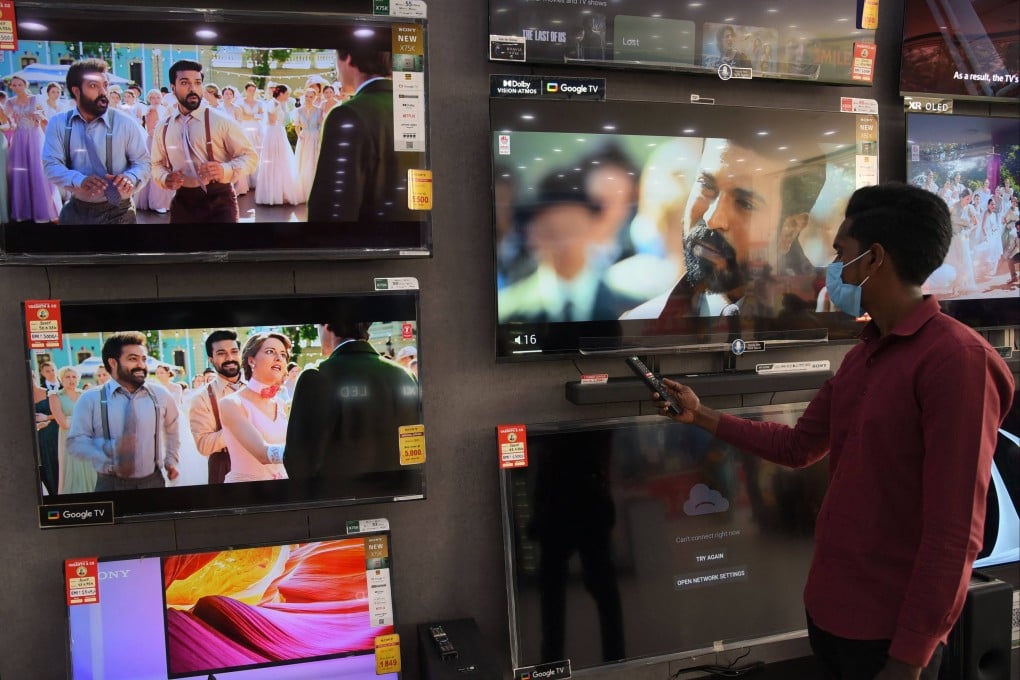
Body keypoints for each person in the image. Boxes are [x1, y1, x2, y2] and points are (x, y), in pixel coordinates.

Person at [654, 183, 1014, 680]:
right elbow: (799, 446)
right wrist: (701, 415)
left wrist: (909, 660)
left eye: (841, 252)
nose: (833, 267)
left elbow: (954, 536)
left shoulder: (959, 363)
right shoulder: (865, 352)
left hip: (890, 640)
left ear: (875, 259)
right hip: (831, 615)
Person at [622, 136, 826, 322]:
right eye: (706, 185)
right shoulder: (639, 324)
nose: (712, 219)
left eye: (745, 204)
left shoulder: (834, 321)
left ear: (789, 230)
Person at [284, 320, 420, 496]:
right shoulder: (405, 375)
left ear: (326, 325)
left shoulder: (317, 376)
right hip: (398, 503)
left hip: (337, 505)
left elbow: (298, 463)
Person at [498, 169, 645, 323]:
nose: (564, 243)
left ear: (592, 228)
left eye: (572, 229)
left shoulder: (631, 310)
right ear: (533, 236)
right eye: (552, 232)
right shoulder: (508, 313)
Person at [307, 36, 419, 222]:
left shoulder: (348, 115)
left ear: (347, 58)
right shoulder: (417, 109)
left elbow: (330, 209)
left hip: (365, 241)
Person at [67, 332, 181, 491]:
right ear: (113, 363)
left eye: (143, 359)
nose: (141, 365)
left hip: (154, 482)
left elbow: (173, 429)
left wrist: (170, 461)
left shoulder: (161, 395)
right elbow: (75, 443)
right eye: (133, 359)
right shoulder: (90, 399)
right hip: (110, 485)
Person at [42, 58, 150, 225]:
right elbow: (51, 165)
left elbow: (143, 162)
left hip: (120, 212)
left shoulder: (125, 122)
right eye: (94, 86)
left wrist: (131, 177)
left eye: (105, 85)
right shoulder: (58, 123)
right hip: (75, 212)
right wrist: (79, 180)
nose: (103, 92)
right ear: (76, 91)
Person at [150, 60, 258, 223]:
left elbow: (250, 157)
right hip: (182, 203)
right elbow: (156, 164)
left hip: (220, 202)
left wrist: (225, 169)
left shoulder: (221, 121)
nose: (193, 88)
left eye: (198, 83)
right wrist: (165, 178)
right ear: (173, 88)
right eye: (185, 83)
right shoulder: (163, 127)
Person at [217, 332, 291, 483]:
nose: (279, 358)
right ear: (251, 360)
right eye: (270, 351)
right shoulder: (231, 403)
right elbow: (262, 454)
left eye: (283, 354)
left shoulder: (281, 404)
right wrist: (306, 451)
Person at [187, 330, 244, 484]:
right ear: (211, 359)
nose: (230, 358)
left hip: (261, 465)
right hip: (224, 465)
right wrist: (241, 427)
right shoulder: (201, 398)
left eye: (234, 351)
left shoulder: (255, 387)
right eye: (221, 353)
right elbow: (204, 445)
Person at [6, 75, 61, 222]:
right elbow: (6, 120)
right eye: (14, 85)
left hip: (35, 137)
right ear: (11, 87)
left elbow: (44, 119)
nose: (17, 87)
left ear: (25, 84)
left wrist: (39, 117)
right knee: (20, 172)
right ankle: (24, 210)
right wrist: (12, 120)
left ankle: (44, 209)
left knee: (38, 171)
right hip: (19, 138)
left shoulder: (35, 99)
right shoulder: (10, 102)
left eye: (19, 84)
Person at [49, 366, 96, 495]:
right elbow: (63, 423)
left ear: (79, 379)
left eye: (74, 377)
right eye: (67, 377)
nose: (71, 380)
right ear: (61, 379)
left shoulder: (85, 395)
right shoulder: (55, 396)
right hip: (69, 438)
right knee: (72, 470)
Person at [254, 84, 301, 206]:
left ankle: (281, 191)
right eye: (287, 94)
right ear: (281, 93)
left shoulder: (280, 104)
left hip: (279, 132)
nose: (288, 96)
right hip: (274, 133)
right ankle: (272, 194)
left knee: (282, 161)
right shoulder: (273, 103)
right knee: (274, 161)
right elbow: (271, 121)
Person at [134, 88, 174, 214]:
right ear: (149, 99)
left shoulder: (164, 109)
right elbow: (150, 131)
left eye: (158, 97)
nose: (156, 100)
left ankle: (167, 201)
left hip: (164, 142)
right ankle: (157, 202)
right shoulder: (151, 110)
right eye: (153, 98)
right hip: (154, 142)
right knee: (157, 169)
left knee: (166, 169)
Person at [33, 365, 60, 495]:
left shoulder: (47, 393)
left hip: (52, 433)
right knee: (42, 467)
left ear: (34, 377)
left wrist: (46, 417)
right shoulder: (20, 396)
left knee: (55, 464)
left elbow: (60, 414)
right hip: (35, 438)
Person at [293, 87, 323, 200]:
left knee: (313, 160)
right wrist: (298, 134)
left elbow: (321, 125)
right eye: (307, 96)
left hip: (315, 136)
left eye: (311, 97)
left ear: (315, 98)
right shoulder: (298, 110)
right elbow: (296, 125)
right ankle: (302, 189)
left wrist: (319, 136)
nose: (308, 99)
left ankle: (313, 188)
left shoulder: (319, 110)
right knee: (303, 161)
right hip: (304, 137)